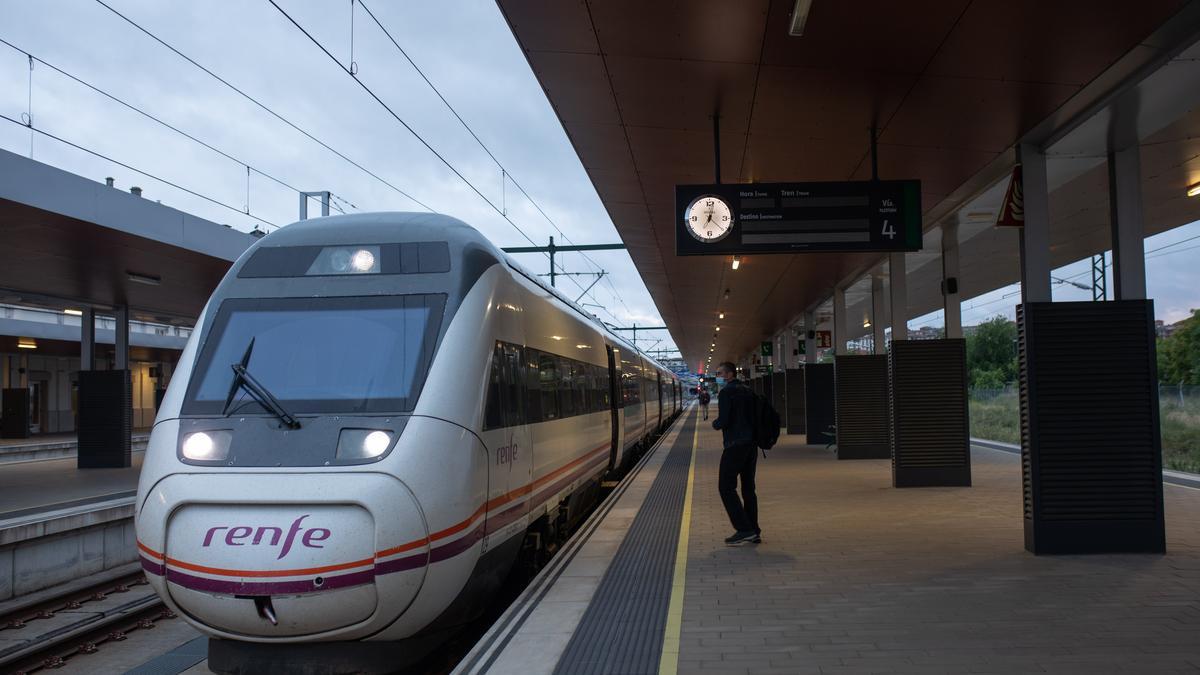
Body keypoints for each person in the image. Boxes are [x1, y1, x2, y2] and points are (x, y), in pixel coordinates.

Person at [710, 361, 760, 546]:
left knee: (725, 487)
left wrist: (715, 424)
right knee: (748, 488)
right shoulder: (748, 390)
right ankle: (754, 530)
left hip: (735, 445)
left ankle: (744, 529)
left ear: (730, 374)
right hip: (751, 446)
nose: (718, 376)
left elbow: (723, 420)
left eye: (720, 373)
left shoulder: (727, 392)